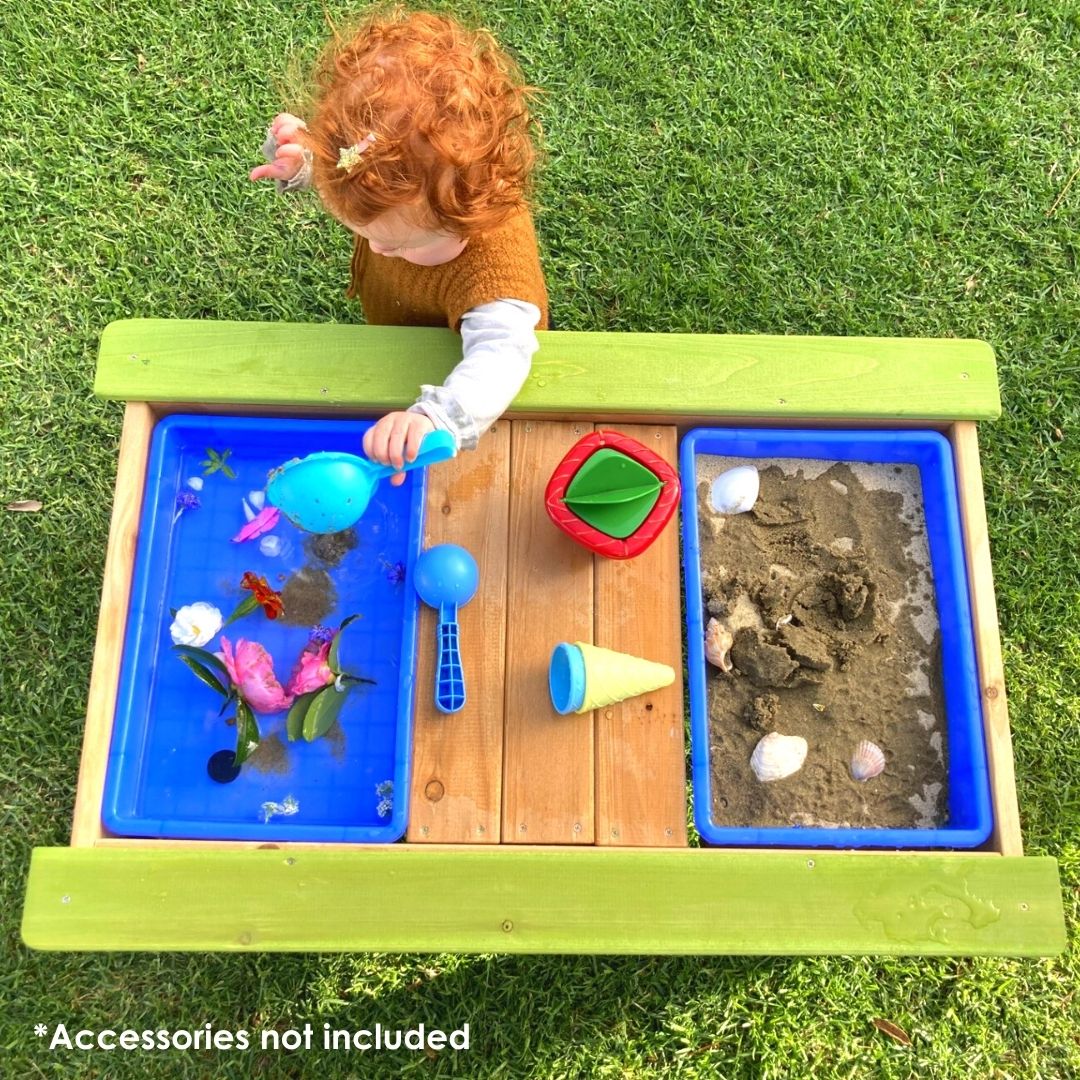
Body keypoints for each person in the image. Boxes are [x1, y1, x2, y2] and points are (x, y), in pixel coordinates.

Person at [250, 6, 548, 483]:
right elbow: (347, 181)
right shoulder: (380, 186)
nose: (380, 252)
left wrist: (437, 417)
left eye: (397, 244)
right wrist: (308, 165)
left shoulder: (496, 279)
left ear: (466, 218)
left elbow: (502, 355)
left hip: (450, 345)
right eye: (366, 234)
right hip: (400, 321)